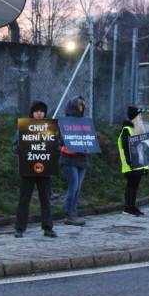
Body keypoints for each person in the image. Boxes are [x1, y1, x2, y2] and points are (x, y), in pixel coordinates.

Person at [12, 100, 57, 238]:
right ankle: (19, 228)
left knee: (46, 199)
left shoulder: (50, 127)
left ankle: (48, 227)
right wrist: (18, 149)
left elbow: (57, 145)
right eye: (36, 110)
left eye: (41, 111)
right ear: (32, 112)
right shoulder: (24, 127)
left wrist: (57, 150)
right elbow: (13, 146)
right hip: (28, 169)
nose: (39, 113)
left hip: (45, 170)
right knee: (24, 199)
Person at [60, 95, 89, 226]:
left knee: (78, 188)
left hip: (82, 159)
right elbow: (59, 142)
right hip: (70, 158)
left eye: (82, 105)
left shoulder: (85, 122)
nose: (80, 108)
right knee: (73, 187)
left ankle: (74, 212)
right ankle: (69, 214)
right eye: (78, 105)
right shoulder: (65, 123)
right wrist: (64, 149)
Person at [118, 106, 149, 216]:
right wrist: (130, 162)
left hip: (139, 164)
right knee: (131, 185)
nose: (141, 117)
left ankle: (132, 206)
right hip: (131, 164)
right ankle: (128, 207)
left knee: (135, 186)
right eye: (140, 114)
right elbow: (126, 147)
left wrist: (146, 166)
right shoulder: (127, 130)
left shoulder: (138, 130)